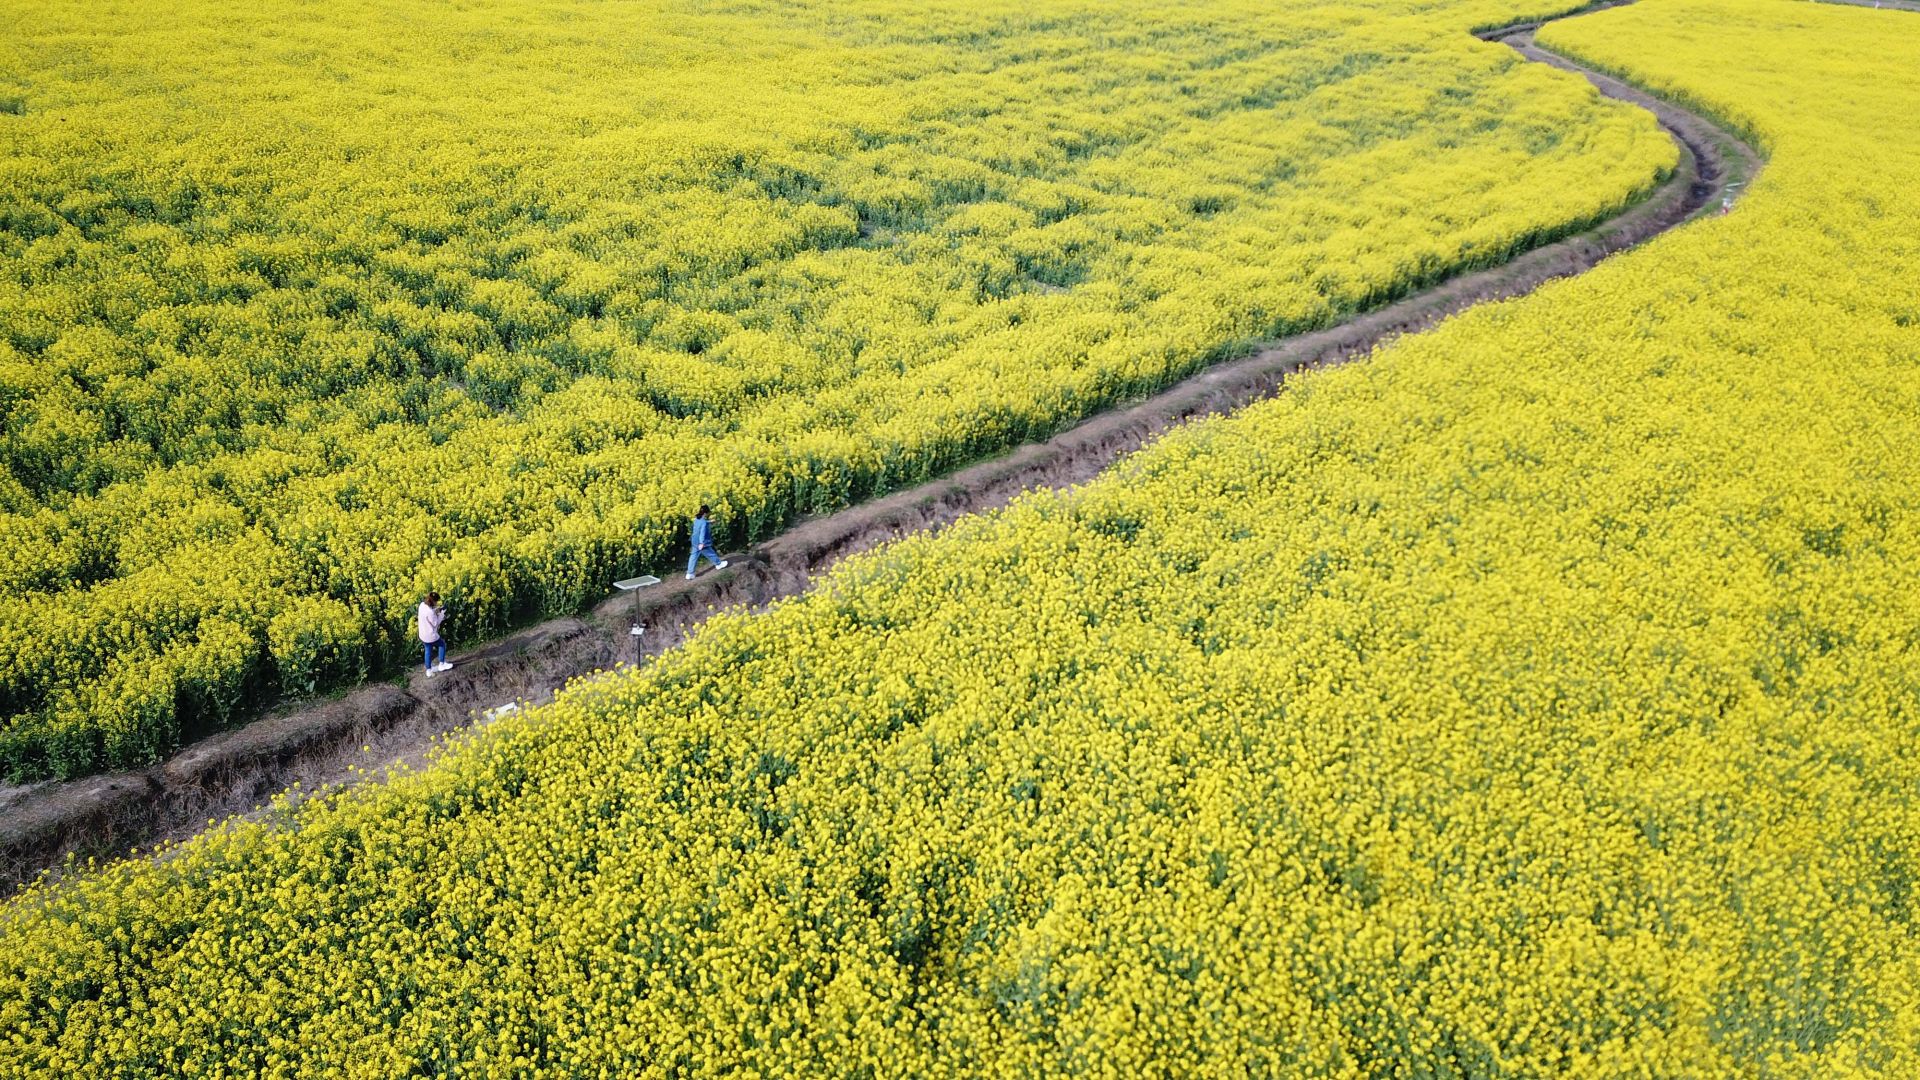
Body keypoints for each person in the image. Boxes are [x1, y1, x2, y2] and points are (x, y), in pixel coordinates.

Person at [686, 505, 729, 580]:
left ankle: (690, 573)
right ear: (706, 513)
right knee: (710, 553)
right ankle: (719, 564)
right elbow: (702, 533)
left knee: (693, 556)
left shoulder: (697, 519)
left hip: (694, 541)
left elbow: (701, 524)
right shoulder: (703, 523)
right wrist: (702, 543)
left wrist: (709, 522)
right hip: (701, 543)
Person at [419, 592, 451, 675]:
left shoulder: (422, 605)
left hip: (422, 634)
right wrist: (442, 614)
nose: (436, 603)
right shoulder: (430, 612)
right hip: (430, 635)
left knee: (428, 650)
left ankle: (429, 670)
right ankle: (442, 664)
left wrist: (437, 610)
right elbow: (436, 623)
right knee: (442, 644)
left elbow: (430, 613)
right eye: (436, 602)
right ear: (434, 601)